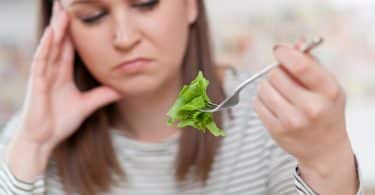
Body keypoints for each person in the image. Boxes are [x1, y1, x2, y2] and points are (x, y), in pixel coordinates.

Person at [0, 0, 363, 194]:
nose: (124, 37)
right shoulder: (29, 138)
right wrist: (32, 143)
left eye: (145, 2)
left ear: (191, 4)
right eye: (94, 15)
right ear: (61, 27)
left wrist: (328, 159)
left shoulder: (271, 117)